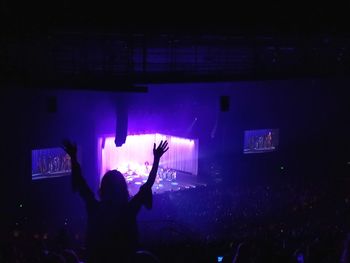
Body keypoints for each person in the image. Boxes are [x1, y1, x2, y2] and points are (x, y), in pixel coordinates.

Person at [62, 140, 169, 263]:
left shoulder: (95, 208)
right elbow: (148, 184)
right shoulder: (128, 211)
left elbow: (80, 183)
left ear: (103, 188)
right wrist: (156, 159)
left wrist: (73, 157)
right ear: (123, 189)